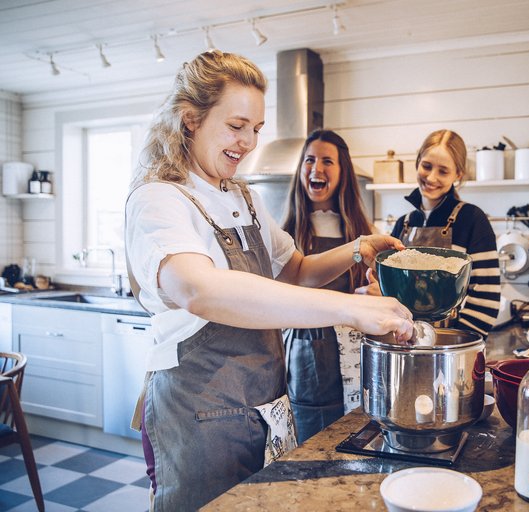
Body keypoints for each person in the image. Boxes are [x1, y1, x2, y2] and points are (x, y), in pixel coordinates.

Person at [124, 51, 413, 512]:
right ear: (190, 119)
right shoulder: (159, 199)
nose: (248, 142)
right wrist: (351, 308)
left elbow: (295, 269)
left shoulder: (243, 197)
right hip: (199, 411)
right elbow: (199, 289)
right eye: (237, 125)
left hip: (263, 405)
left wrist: (359, 247)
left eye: (256, 129)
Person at [281, 129, 374, 443]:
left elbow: (379, 292)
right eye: (309, 160)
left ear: (342, 171)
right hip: (305, 359)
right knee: (312, 444)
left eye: (327, 161)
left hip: (355, 354)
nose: (315, 168)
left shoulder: (364, 232)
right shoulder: (286, 234)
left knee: (353, 439)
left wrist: (373, 293)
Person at [365, 129, 501, 336]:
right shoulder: (403, 224)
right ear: (417, 163)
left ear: (458, 174)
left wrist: (451, 345)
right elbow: (386, 288)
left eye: (443, 171)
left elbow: (486, 299)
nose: (431, 177)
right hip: (403, 341)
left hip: (451, 347)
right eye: (426, 166)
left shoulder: (472, 219)